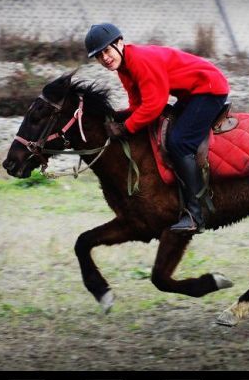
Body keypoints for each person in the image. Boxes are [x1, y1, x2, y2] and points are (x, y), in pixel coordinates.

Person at [85, 23, 230, 234]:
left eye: (107, 50)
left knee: (179, 143)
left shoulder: (139, 61)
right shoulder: (124, 68)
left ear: (120, 43)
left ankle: (195, 215)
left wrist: (126, 128)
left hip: (209, 89)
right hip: (191, 94)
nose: (105, 58)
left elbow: (154, 104)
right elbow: (137, 103)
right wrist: (118, 119)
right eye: (99, 56)